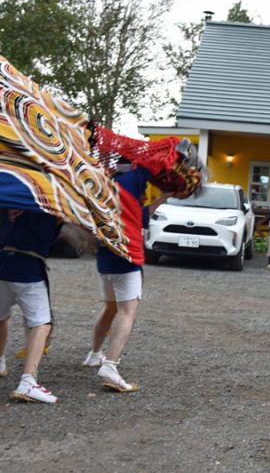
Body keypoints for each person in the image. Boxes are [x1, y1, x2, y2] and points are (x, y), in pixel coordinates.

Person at [84, 164, 168, 392]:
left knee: (110, 307)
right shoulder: (133, 179)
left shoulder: (104, 185)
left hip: (104, 259)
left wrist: (162, 198)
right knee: (127, 312)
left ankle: (94, 354)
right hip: (126, 258)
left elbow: (139, 216)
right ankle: (110, 365)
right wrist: (166, 193)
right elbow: (157, 165)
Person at [0, 210, 62, 404]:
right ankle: (28, 381)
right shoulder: (43, 203)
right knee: (42, 323)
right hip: (28, 267)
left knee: (1, 315)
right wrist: (59, 221)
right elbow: (45, 237)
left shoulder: (11, 197)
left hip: (2, 264)